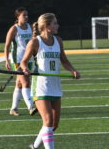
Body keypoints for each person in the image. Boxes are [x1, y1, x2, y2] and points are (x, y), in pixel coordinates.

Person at [20, 13, 81, 149]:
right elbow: (23, 62)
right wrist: (25, 69)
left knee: (54, 125)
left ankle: (34, 146)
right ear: (47, 27)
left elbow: (64, 60)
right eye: (54, 23)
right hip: (41, 86)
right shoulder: (35, 42)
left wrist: (73, 70)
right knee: (47, 121)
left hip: (55, 85)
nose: (57, 25)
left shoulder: (58, 41)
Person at [4, 7, 37, 116]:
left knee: (19, 84)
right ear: (18, 17)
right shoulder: (14, 29)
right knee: (25, 82)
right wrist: (7, 61)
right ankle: (31, 106)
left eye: (27, 15)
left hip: (28, 59)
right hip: (17, 59)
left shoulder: (29, 27)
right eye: (24, 15)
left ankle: (13, 109)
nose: (26, 17)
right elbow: (7, 45)